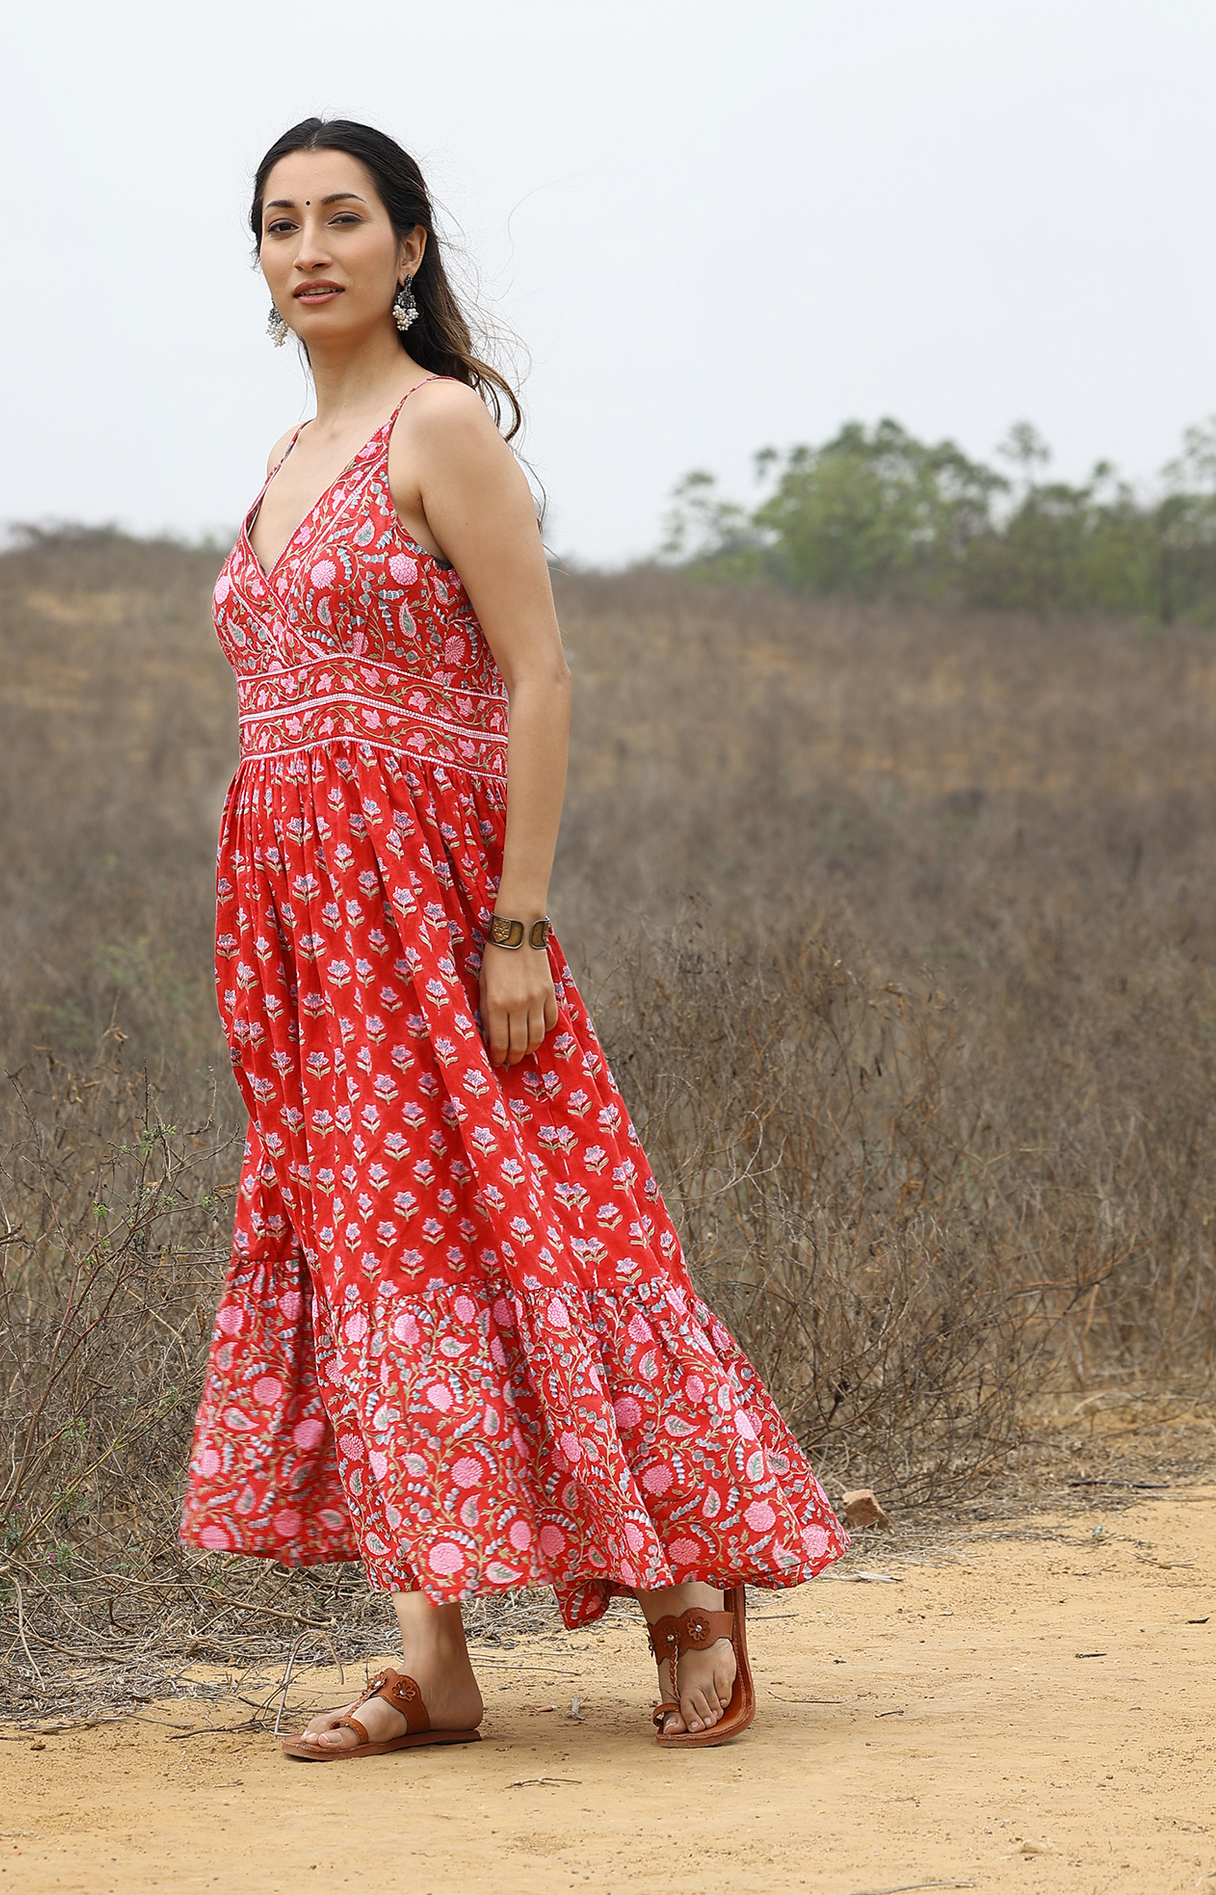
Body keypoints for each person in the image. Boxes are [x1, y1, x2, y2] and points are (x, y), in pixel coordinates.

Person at [182, 116, 846, 1759]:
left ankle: (688, 1589)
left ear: (410, 247)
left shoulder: (441, 424)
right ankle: (436, 1657)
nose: (310, 246)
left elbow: (538, 672)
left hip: (436, 902)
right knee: (371, 1257)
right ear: (257, 259)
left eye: (346, 217)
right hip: (302, 932)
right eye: (282, 222)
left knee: (553, 1223)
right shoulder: (282, 458)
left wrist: (519, 921)